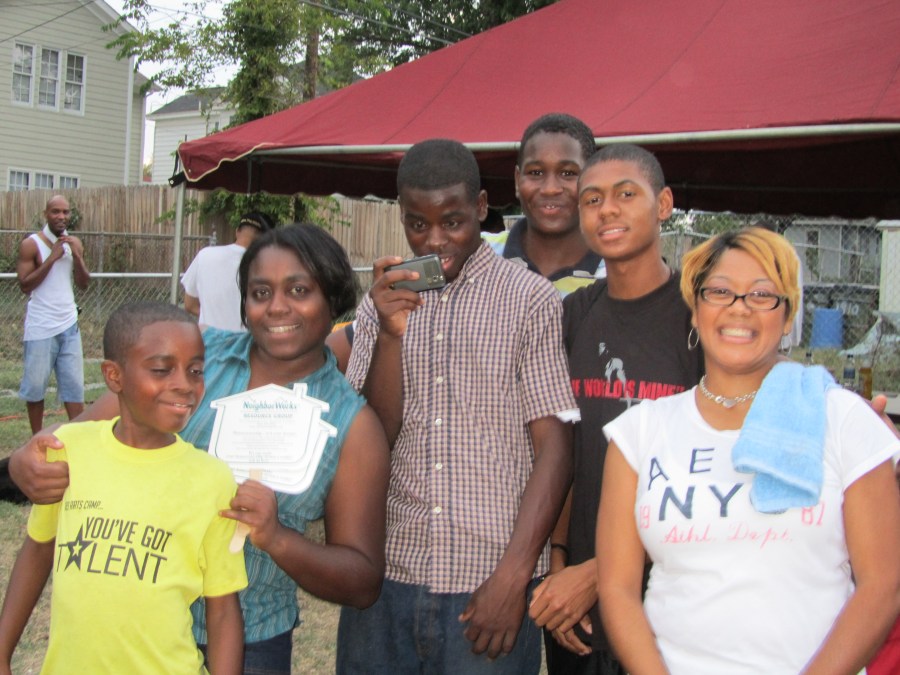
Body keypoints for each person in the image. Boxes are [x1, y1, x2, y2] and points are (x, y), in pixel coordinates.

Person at [8, 224, 391, 674]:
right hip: (131, 631)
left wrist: (277, 538)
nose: (276, 307)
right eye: (260, 292)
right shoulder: (192, 356)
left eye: (299, 290)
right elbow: (79, 439)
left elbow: (361, 582)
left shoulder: (350, 424)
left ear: (334, 296)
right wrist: (23, 462)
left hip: (248, 641)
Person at [597, 227, 900, 674]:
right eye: (720, 292)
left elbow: (882, 585)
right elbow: (617, 588)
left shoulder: (844, 421)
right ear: (695, 311)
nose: (739, 308)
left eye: (762, 295)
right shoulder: (639, 432)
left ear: (788, 316)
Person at [336, 139, 578, 674]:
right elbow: (371, 440)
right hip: (388, 575)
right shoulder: (383, 303)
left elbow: (556, 448)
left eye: (452, 221)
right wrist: (391, 336)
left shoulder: (530, 299)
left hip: (489, 580)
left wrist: (513, 578)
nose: (434, 239)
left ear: (481, 206)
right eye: (417, 224)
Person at [528, 144, 703, 675]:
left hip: (670, 600)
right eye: (592, 200)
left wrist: (600, 574)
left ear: (664, 204)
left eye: (626, 194)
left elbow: (709, 473)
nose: (607, 210)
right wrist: (561, 562)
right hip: (576, 606)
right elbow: (566, 446)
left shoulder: (701, 319)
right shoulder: (572, 316)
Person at [0, 301, 247, 674]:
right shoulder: (69, 451)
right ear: (114, 376)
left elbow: (223, 608)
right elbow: (37, 551)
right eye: (162, 369)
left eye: (195, 370)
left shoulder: (212, 479)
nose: (185, 385)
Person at [483, 112, 605, 296]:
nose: (550, 189)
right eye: (536, 173)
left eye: (567, 173)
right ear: (517, 180)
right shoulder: (476, 257)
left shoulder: (619, 272)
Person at [17, 195, 90, 434]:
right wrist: (52, 258)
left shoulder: (74, 243)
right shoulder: (31, 244)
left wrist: (76, 256)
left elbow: (83, 284)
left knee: (74, 388)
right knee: (35, 387)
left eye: (66, 212)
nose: (61, 216)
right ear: (46, 214)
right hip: (41, 327)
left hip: (69, 324)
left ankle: (77, 439)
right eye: (56, 211)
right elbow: (25, 285)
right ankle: (37, 437)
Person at [181, 211, 275, 331]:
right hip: (246, 340)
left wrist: (216, 320)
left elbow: (190, 305)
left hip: (209, 339)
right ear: (266, 240)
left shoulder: (205, 255)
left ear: (237, 231)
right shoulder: (267, 266)